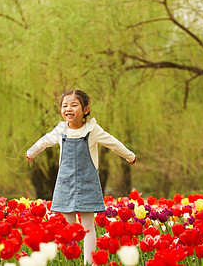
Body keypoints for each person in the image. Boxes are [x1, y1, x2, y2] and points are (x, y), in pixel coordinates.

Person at [26, 89, 136, 265]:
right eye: (64, 105)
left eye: (74, 105)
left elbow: (113, 142)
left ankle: (89, 263)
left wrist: (130, 156)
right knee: (68, 228)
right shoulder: (61, 129)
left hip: (87, 183)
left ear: (85, 109)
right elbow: (45, 140)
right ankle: (71, 261)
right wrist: (31, 152)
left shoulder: (92, 130)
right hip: (65, 182)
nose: (68, 109)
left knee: (87, 227)